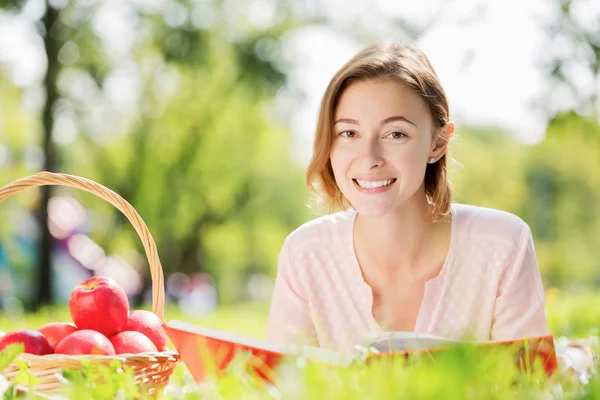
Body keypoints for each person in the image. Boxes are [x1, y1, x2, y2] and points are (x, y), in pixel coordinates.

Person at [265, 42, 549, 352]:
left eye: (395, 134)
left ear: (437, 143)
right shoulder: (305, 254)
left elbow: (532, 382)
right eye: (349, 133)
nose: (369, 158)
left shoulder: (503, 245)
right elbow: (278, 385)